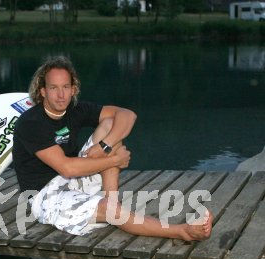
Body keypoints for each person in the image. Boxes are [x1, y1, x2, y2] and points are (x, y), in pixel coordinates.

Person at [13, 55, 212, 241]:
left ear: (74, 89)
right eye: (54, 88)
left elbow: (127, 115)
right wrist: (115, 159)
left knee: (110, 124)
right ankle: (181, 231)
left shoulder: (75, 109)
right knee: (110, 211)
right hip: (46, 196)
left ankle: (111, 199)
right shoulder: (32, 123)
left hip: (72, 181)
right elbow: (67, 168)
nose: (61, 95)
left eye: (66, 87)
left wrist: (105, 146)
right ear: (43, 91)